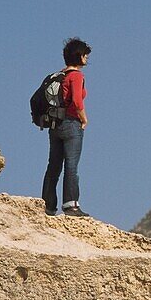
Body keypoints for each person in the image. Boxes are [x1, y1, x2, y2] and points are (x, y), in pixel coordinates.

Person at [41, 37, 91, 217]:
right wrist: (84, 120)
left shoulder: (59, 76)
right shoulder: (76, 76)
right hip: (71, 124)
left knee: (53, 165)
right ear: (80, 56)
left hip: (55, 125)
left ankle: (47, 206)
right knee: (71, 165)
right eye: (85, 55)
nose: (87, 58)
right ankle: (71, 205)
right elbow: (77, 102)